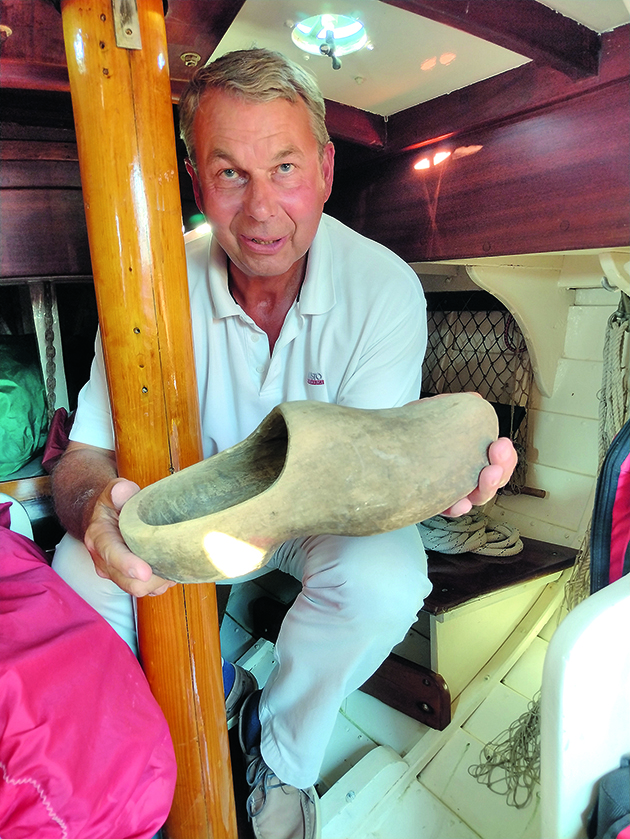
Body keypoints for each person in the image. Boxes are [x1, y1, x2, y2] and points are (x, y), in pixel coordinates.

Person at [52, 48, 517, 839]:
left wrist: (437, 477)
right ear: (196, 180)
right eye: (231, 173)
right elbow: (83, 458)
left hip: (316, 517)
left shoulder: (384, 289)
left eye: (286, 168)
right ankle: (136, 762)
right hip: (185, 512)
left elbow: (365, 478)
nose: (263, 208)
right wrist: (98, 514)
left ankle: (278, 748)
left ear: (327, 171)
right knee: (77, 576)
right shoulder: (149, 288)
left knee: (386, 575)